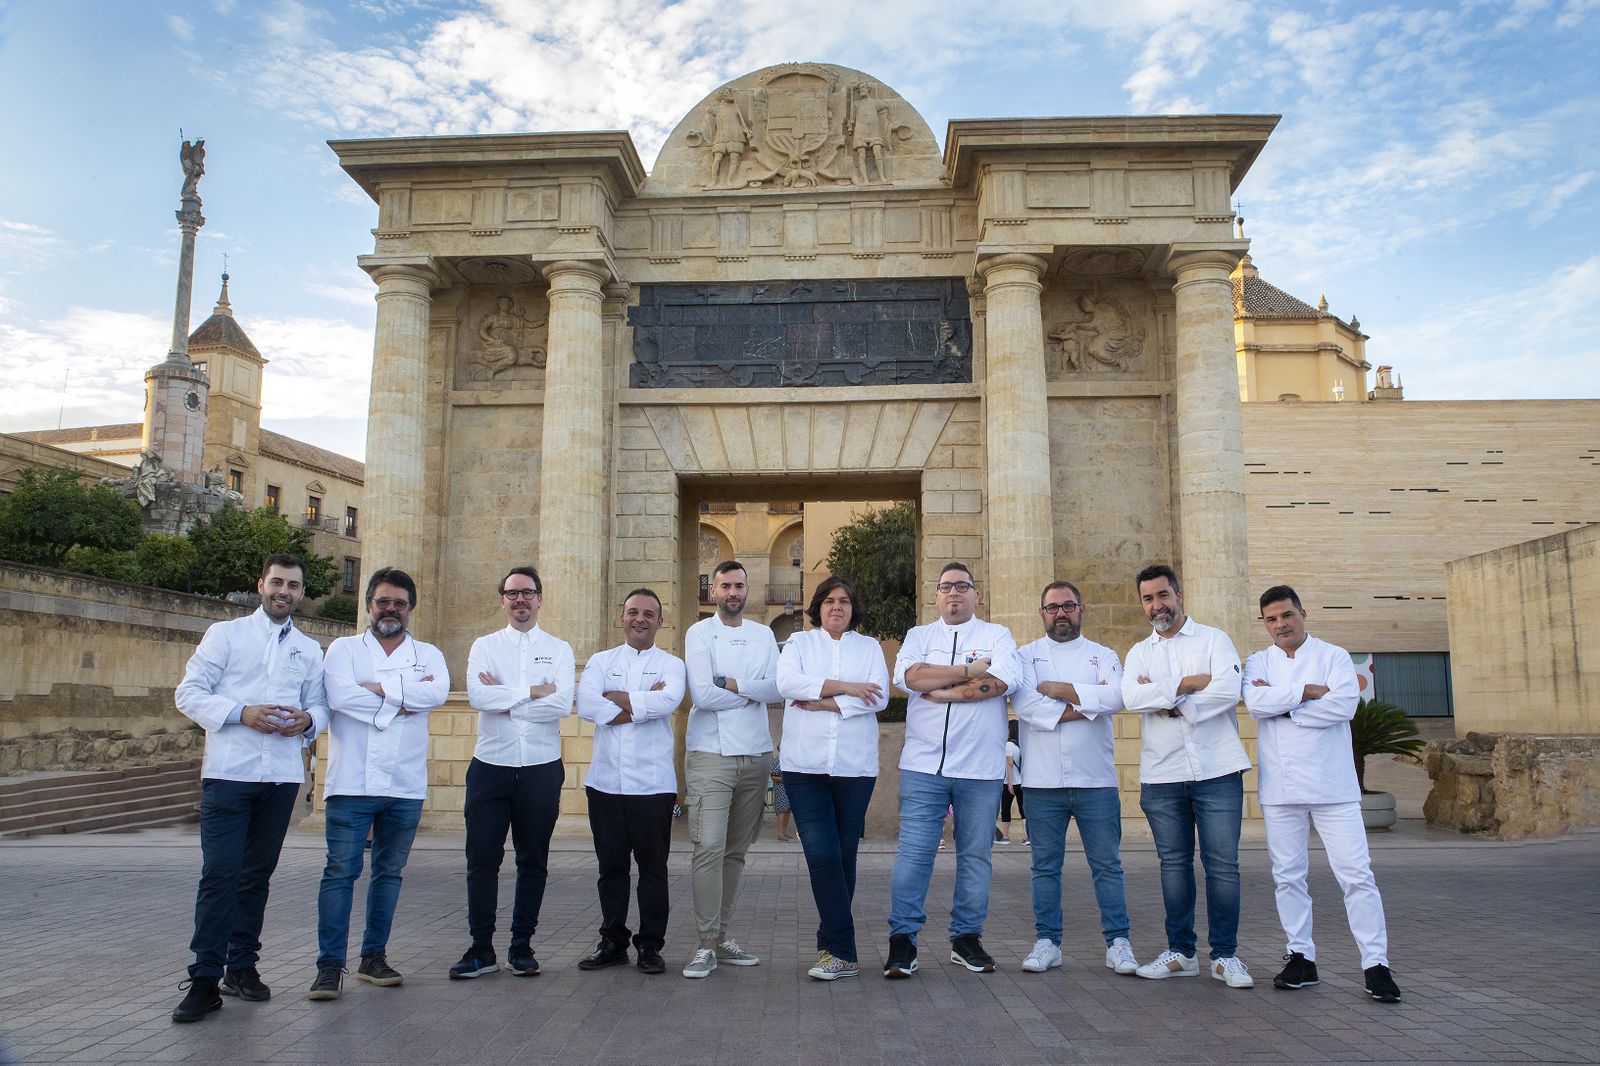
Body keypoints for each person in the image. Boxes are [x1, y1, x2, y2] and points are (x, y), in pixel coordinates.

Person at [169, 555, 328, 1023]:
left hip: (280, 777)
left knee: (256, 875)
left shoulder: (309, 649)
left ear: (301, 593)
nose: (284, 591)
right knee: (220, 873)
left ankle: (241, 967)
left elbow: (320, 705)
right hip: (229, 773)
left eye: (293, 585)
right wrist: (242, 713)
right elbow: (189, 693)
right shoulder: (226, 635)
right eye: (277, 582)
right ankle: (204, 977)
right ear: (261, 585)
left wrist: (307, 720)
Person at [1243, 585, 1402, 1003]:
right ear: (1264, 623)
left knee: (1356, 875)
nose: (1281, 624)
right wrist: (1308, 692)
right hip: (1281, 787)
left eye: (1287, 615)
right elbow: (1256, 705)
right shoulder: (1258, 662)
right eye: (1272, 619)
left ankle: (1376, 965)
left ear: (1302, 614)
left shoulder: (1334, 656)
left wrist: (1284, 709)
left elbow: (1344, 706)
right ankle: (1301, 957)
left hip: (1334, 787)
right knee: (1287, 876)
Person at [308, 567, 449, 1001]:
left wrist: (376, 690)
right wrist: (402, 699)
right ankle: (329, 966)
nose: (391, 609)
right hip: (351, 783)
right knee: (340, 873)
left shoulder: (429, 654)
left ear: (410, 609)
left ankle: (374, 957)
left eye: (399, 604)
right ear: (369, 605)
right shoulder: (344, 650)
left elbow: (437, 694)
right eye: (383, 601)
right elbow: (340, 697)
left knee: (389, 874)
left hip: (404, 785)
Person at [1122, 564, 1254, 989]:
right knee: (1174, 866)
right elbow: (1131, 696)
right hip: (1162, 774)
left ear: (1178, 595)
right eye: (1148, 598)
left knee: (1223, 866)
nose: (1156, 605)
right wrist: (1189, 684)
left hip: (1218, 770)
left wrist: (1166, 697)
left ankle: (1225, 956)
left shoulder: (1214, 640)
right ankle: (1181, 952)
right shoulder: (1138, 653)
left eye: (1163, 595)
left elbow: (1228, 690)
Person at [884, 562, 1017, 978]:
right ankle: (903, 941)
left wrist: (942, 691)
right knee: (914, 854)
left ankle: (966, 938)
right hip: (923, 766)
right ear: (936, 596)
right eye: (946, 587)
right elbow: (909, 677)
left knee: (975, 855)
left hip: (980, 768)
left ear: (977, 595)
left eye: (962, 586)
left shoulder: (998, 635)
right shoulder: (918, 636)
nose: (954, 593)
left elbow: (1001, 682)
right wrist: (969, 672)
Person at [451, 566, 574, 980]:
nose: (520, 599)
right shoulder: (484, 646)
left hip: (541, 767)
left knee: (533, 859)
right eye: (512, 593)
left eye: (528, 592)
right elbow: (477, 696)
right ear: (502, 600)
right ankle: (480, 948)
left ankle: (522, 946)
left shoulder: (559, 649)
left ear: (540, 598)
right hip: (491, 765)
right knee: (481, 859)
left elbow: (561, 705)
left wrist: (504, 699)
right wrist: (533, 691)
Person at [1011, 581, 1140, 977]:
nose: (1061, 613)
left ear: (1081, 609)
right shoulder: (1025, 657)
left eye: (1068, 606)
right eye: (1052, 608)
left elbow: (1117, 697)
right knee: (1044, 867)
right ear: (1042, 613)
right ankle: (1048, 942)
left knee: (1108, 865)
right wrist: (1087, 701)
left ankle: (1118, 943)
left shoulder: (1104, 655)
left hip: (1095, 780)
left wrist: (1058, 690)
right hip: (1041, 781)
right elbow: (1027, 706)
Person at [775, 576, 890, 981]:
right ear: (818, 607)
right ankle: (842, 950)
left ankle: (833, 947)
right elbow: (787, 684)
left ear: (853, 608)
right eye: (828, 601)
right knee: (821, 854)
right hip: (803, 766)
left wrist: (825, 703)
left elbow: (879, 696)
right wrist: (848, 688)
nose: (836, 607)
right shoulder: (799, 643)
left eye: (844, 601)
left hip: (854, 768)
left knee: (843, 857)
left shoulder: (869, 646)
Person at [573, 588, 686, 976]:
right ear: (621, 618)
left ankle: (651, 946)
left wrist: (615, 698)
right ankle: (613, 943)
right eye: (633, 612)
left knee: (653, 869)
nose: (640, 619)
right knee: (611, 868)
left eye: (649, 614)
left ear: (660, 622)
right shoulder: (601, 661)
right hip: (605, 782)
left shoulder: (672, 665)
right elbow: (586, 704)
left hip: (653, 785)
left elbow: (667, 702)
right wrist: (641, 704)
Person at [680, 560, 781, 978]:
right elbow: (703, 695)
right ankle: (705, 943)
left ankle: (721, 937)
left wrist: (731, 683)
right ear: (714, 591)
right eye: (725, 586)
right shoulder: (699, 632)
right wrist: (751, 691)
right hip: (710, 753)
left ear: (747, 590)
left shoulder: (764, 634)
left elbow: (777, 688)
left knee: (736, 851)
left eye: (739, 586)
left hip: (755, 754)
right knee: (708, 847)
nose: (733, 593)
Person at [996, 719, 1026, 845]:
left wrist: (1009, 782)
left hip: (1010, 783)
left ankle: (1005, 837)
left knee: (1006, 810)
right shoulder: (1021, 745)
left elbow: (1009, 764)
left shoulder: (1008, 745)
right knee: (1023, 810)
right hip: (1022, 782)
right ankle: (1026, 837)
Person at [770, 751, 793, 841]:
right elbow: (773, 777)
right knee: (782, 810)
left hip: (789, 787)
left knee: (787, 809)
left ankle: (784, 831)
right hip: (781, 788)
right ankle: (780, 833)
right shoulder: (778, 760)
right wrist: (786, 780)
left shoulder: (788, 758)